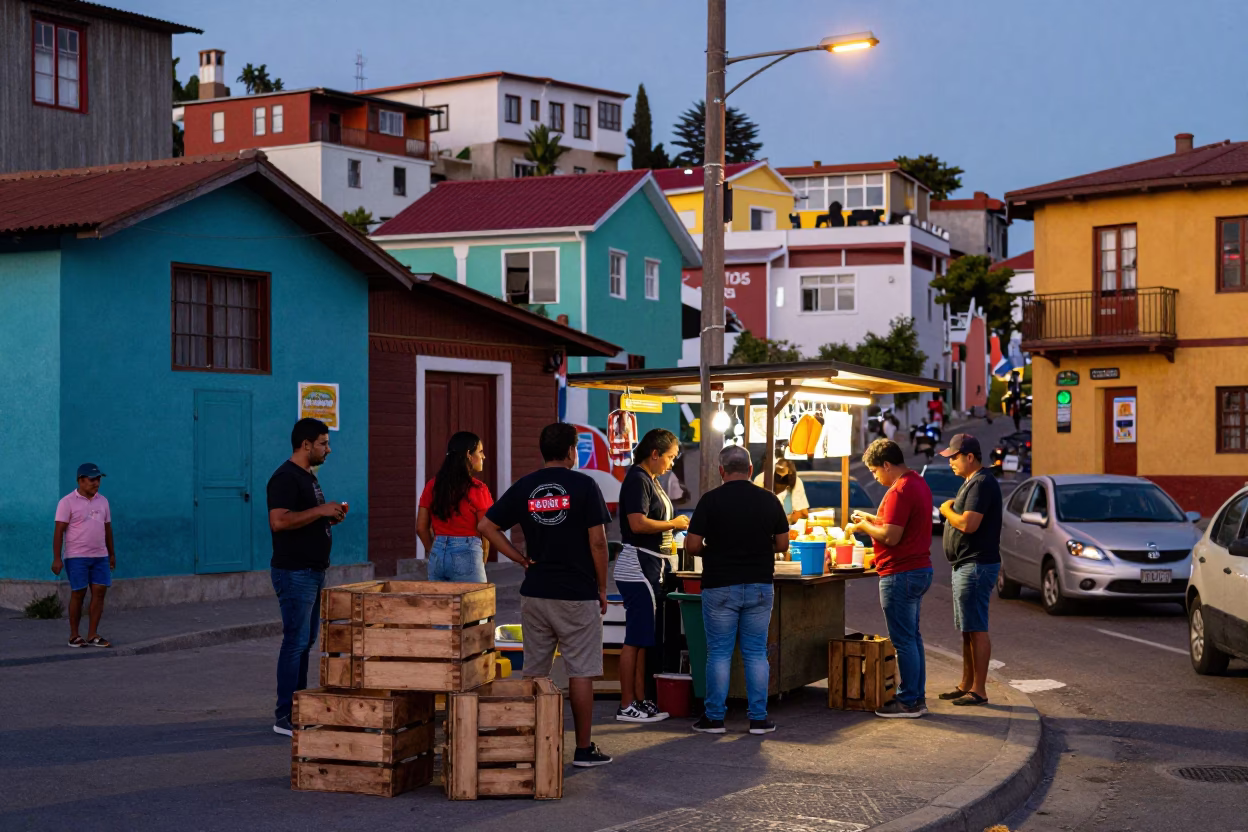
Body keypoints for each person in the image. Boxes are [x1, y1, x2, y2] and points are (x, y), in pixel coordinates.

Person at [478, 423, 613, 767]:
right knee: (580, 671)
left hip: (536, 590)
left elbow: (486, 526)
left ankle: (528, 746)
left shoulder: (525, 486)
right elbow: (598, 542)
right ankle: (583, 750)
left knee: (535, 673)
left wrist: (521, 559)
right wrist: (601, 587)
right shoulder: (585, 485)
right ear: (570, 450)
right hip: (577, 592)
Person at [686, 445, 790, 735]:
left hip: (720, 585)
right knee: (756, 652)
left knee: (718, 653)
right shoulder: (769, 500)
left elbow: (692, 546)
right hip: (759, 585)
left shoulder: (710, 501)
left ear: (721, 471)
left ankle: (715, 718)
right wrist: (758, 549)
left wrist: (715, 549)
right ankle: (758, 718)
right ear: (750, 471)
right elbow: (782, 546)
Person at [267, 418, 346, 737]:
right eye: (324, 443)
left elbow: (306, 519)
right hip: (294, 572)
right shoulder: (285, 477)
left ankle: (297, 707)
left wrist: (331, 516)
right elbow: (279, 522)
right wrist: (321, 512)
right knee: (295, 642)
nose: (329, 449)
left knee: (306, 641)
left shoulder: (307, 477)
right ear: (306, 445)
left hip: (313, 571)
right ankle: (284, 714)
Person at [844, 438, 934, 718]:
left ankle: (908, 701)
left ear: (886, 465)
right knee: (912, 637)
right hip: (917, 569)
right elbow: (898, 524)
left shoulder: (900, 490)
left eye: (874, 472)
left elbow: (891, 537)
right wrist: (872, 519)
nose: (875, 477)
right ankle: (916, 696)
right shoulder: (917, 482)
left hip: (901, 572)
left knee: (903, 640)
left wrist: (864, 526)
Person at [613, 429, 688, 724]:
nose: (671, 463)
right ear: (654, 454)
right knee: (634, 639)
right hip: (637, 568)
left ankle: (641, 699)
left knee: (644, 638)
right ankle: (626, 704)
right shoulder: (636, 479)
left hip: (653, 566)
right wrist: (673, 522)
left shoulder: (651, 480)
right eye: (669, 457)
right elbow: (638, 523)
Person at [937, 434, 1003, 707]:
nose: (951, 462)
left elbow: (968, 524)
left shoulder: (981, 483)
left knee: (976, 628)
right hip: (966, 564)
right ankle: (967, 683)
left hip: (976, 565)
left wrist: (946, 509)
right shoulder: (970, 483)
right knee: (967, 628)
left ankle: (979, 690)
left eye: (954, 456)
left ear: (970, 457)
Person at [52, 463, 116, 648]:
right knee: (78, 593)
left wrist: (111, 554)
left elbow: (107, 529)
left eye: (98, 479)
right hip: (76, 556)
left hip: (100, 556)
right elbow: (59, 531)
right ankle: (74, 635)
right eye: (92, 479)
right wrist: (57, 557)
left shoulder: (103, 501)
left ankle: (93, 634)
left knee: (99, 592)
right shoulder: (67, 502)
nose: (96, 483)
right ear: (80, 480)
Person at [417, 431, 494, 582]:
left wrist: (433, 551)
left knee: (441, 605)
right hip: (467, 553)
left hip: (437, 552)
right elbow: (486, 529)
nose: (483, 456)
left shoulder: (433, 485)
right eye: (480, 451)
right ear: (468, 455)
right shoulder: (478, 488)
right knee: (474, 604)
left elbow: (420, 528)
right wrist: (482, 559)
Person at [753, 457, 809, 524]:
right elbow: (755, 513)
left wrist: (790, 519)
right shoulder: (761, 480)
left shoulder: (796, 482)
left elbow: (803, 513)